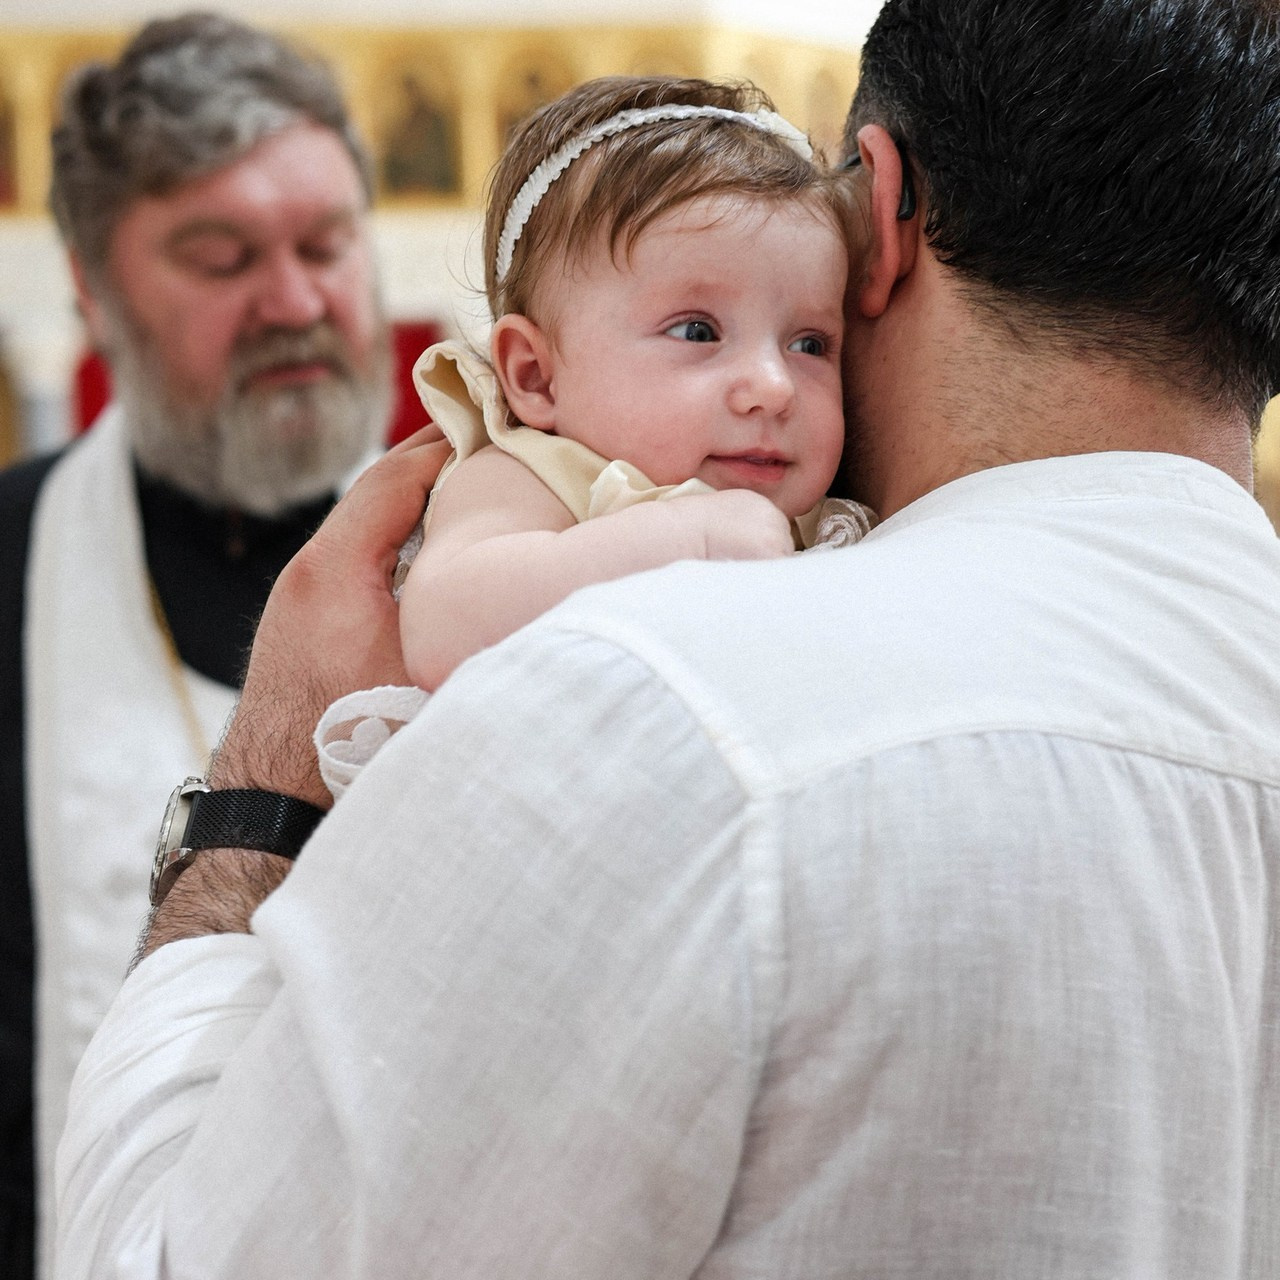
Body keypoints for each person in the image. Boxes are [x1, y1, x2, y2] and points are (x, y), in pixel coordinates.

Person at [58, 0, 1280, 1275]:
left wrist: (258, 798)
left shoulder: (661, 706)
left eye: (799, 336)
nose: (763, 382)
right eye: (696, 329)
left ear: (880, 207)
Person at [0, 13, 390, 1278]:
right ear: (91, 288)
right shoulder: (11, 557)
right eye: (220, 257)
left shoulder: (525, 554)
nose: (293, 300)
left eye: (326, 244)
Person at [394, 76, 860, 695]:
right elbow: (441, 627)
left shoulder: (821, 511)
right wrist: (686, 539)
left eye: (809, 345)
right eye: (698, 331)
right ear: (536, 377)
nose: (775, 388)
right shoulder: (536, 474)